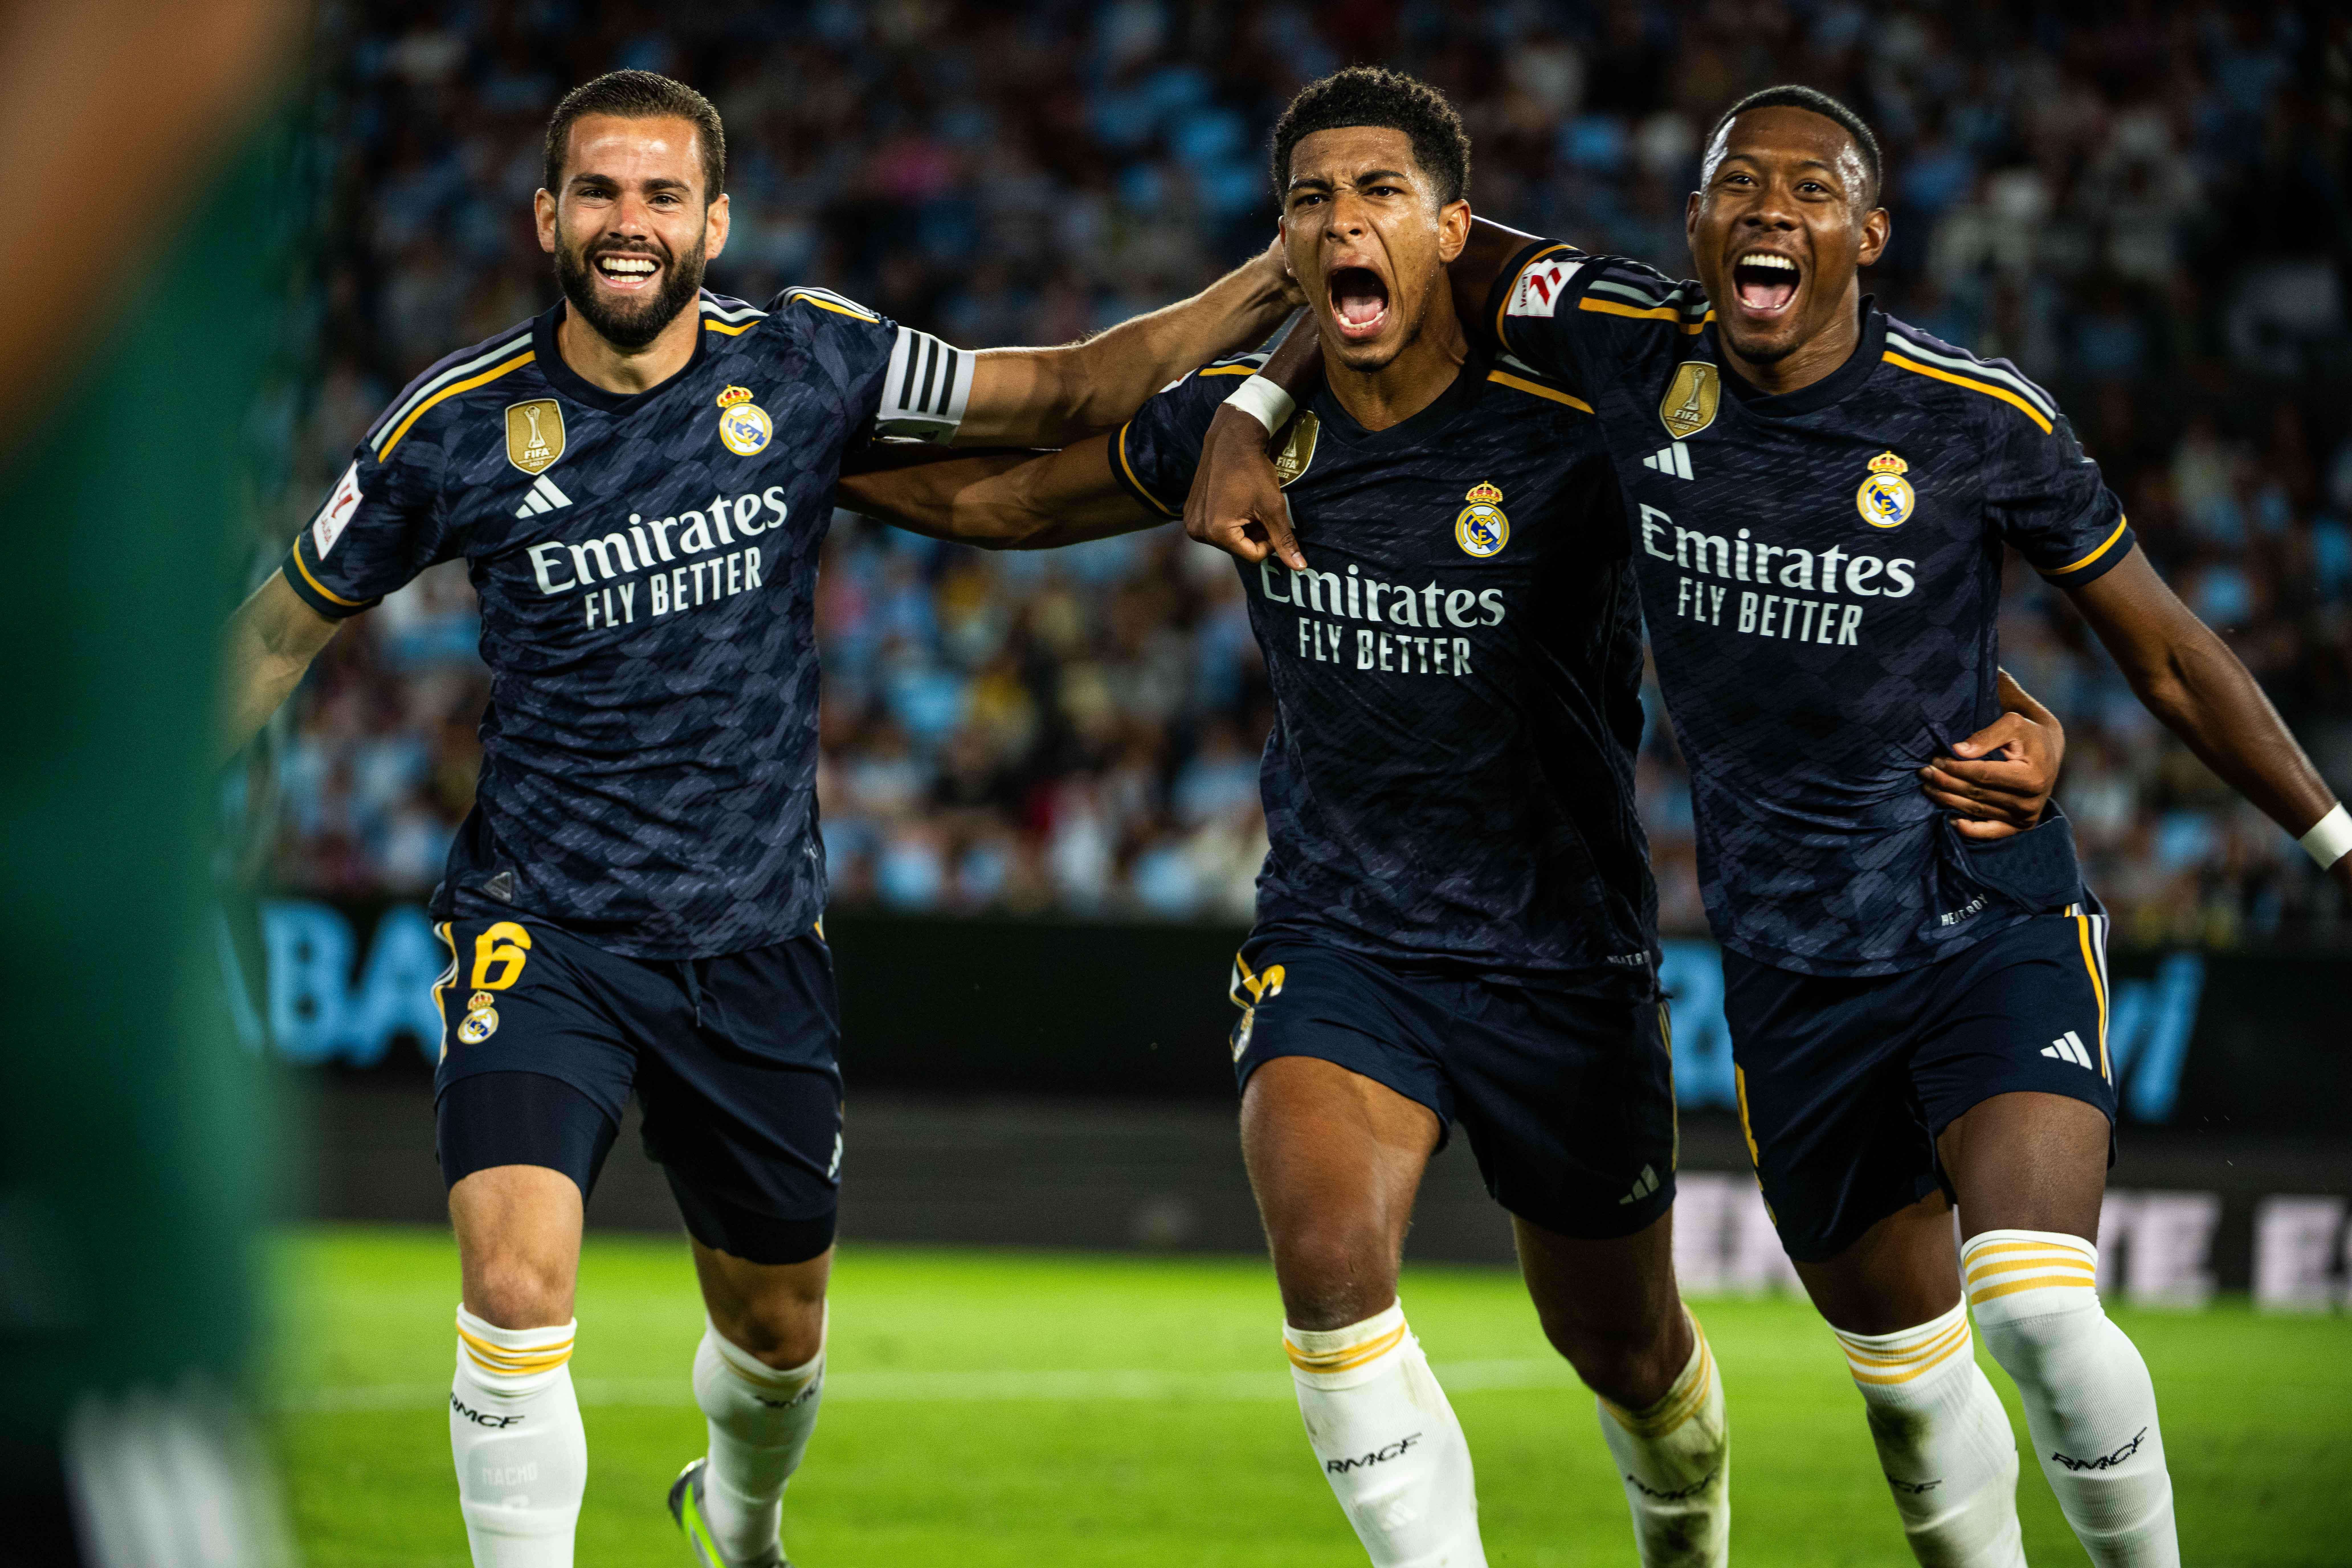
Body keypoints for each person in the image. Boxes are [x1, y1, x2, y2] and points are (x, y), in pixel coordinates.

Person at [839, 68, 2063, 1568]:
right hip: (1342, 935)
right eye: (1311, 200)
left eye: (1380, 194)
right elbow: (1013, 502)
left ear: (1453, 230)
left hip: (1565, 956)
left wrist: (2010, 702)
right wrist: (800, 458)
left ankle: (1684, 1526)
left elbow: (1794, 561)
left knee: (1628, 1355)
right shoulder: (1242, 428)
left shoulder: (1581, 421)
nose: (1344, 221)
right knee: (1328, 1266)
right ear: (1284, 242)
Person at [1192, 82, 2352, 1568]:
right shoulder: (1620, 338)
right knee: (1916, 1402)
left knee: (2040, 1311)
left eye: (1813, 191)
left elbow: (2171, 655)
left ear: (1870, 233)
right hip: (1793, 981)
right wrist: (1252, 407)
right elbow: (1403, 262)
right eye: (1740, 184)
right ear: (1695, 225)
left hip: (1976, 911)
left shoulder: (1977, 414)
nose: (1771, 210)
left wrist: (2337, 845)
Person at [214, 69, 1296, 1568]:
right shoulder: (454, 427)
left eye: (663, 195)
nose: (630, 221)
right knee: (514, 1292)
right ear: (546, 218)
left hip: (753, 943)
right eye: (599, 191)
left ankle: (740, 1516)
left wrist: (1273, 281)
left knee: (780, 1338)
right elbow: (278, 633)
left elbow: (1063, 389)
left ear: (715, 221)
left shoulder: (804, 362)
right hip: (542, 927)